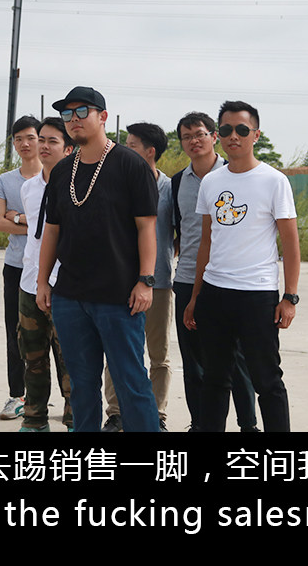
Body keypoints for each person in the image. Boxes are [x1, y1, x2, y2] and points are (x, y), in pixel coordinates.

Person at [36, 86, 161, 433]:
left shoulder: (130, 165)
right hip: (70, 296)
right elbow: (52, 231)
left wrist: (146, 280)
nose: (73, 120)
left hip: (119, 296)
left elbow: (147, 228)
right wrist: (43, 281)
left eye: (82, 112)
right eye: (67, 114)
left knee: (131, 382)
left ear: (102, 116)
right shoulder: (63, 171)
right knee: (80, 385)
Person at [183, 100, 300, 432]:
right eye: (226, 129)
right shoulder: (212, 182)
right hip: (215, 294)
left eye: (242, 130)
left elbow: (291, 244)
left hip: (257, 295)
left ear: (255, 135)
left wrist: (290, 297)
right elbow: (207, 243)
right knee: (215, 379)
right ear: (218, 135)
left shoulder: (273, 181)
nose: (233, 136)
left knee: (267, 380)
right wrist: (196, 297)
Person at [171, 111, 260, 433]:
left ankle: (248, 425)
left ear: (213, 136)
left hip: (228, 281)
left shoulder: (234, 173)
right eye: (186, 137)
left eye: (200, 134)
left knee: (236, 360)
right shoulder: (177, 182)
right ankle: (200, 424)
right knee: (193, 361)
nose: (194, 141)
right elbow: (176, 230)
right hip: (186, 280)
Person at [101, 122, 173, 432]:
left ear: (150, 151)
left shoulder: (170, 188)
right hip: (119, 281)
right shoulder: (116, 182)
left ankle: (157, 415)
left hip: (158, 283)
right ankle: (116, 413)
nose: (124, 150)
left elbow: (180, 232)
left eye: (131, 146)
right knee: (116, 351)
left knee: (158, 353)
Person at [16, 117, 75, 432]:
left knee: (72, 360)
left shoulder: (77, 187)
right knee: (33, 357)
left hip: (66, 286)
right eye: (41, 139)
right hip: (30, 284)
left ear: (68, 149)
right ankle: (35, 419)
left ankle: (75, 419)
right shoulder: (29, 187)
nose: (43, 146)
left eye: (52, 141)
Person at [0, 115, 42, 420]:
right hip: (15, 267)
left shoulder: (55, 176)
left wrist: (19, 218)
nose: (24, 144)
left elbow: (56, 225)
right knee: (16, 332)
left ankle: (65, 399)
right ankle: (17, 395)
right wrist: (36, 226)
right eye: (18, 139)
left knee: (57, 337)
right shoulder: (6, 180)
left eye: (30, 137)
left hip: (49, 267)